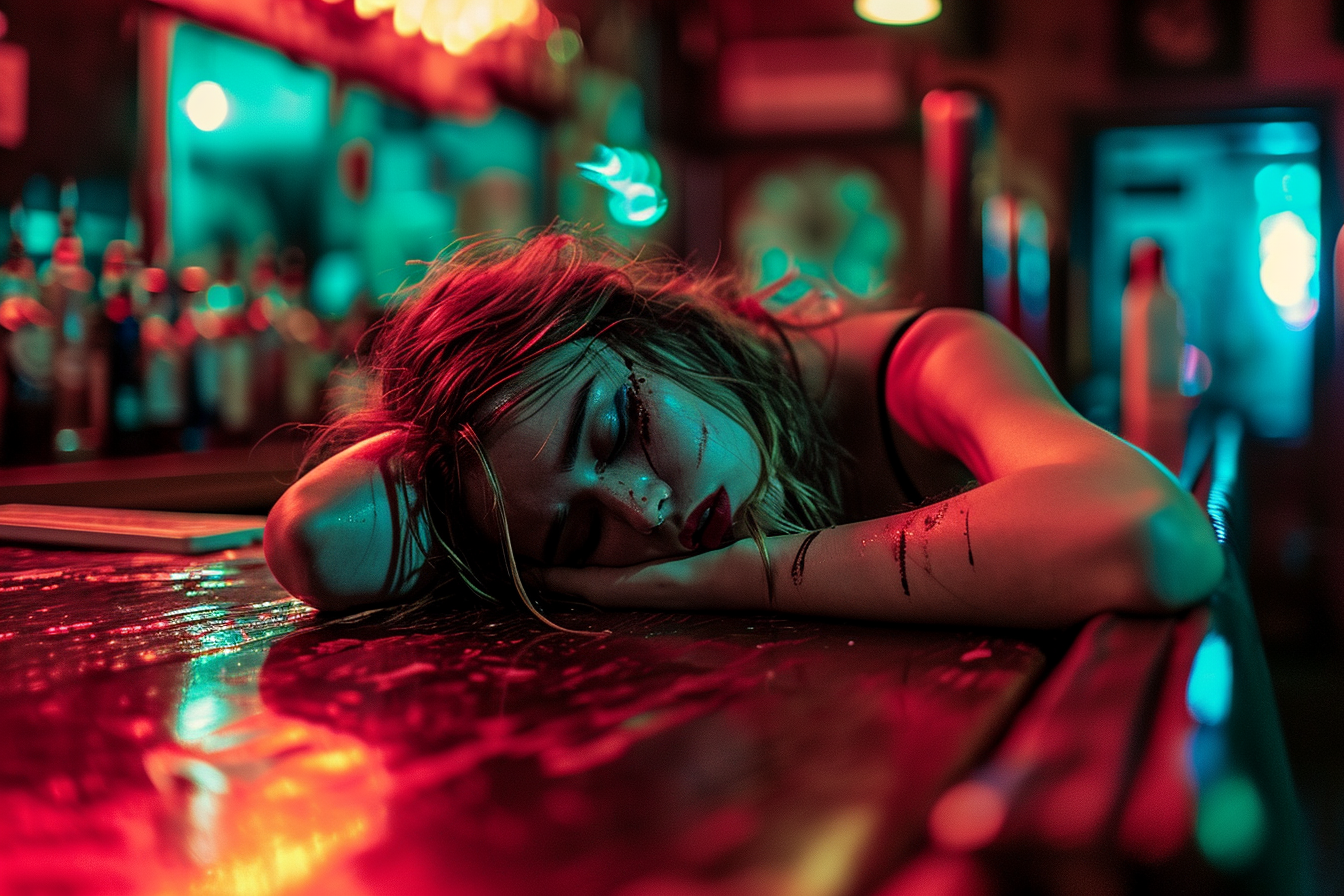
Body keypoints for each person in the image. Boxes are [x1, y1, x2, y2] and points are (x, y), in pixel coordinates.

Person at [263, 229, 1225, 630]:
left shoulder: (927, 364)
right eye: (580, 533)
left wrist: (745, 571)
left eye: (618, 425)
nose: (643, 515)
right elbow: (314, 540)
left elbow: (1153, 532)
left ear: (650, 327)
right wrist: (433, 458)